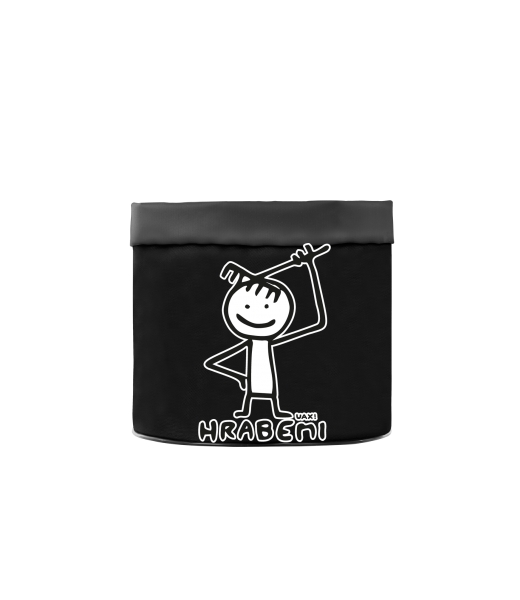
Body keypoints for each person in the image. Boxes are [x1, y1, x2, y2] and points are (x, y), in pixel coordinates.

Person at [204, 243, 330, 419]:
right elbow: (212, 362)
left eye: (267, 307)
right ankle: (249, 411)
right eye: (247, 306)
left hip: (269, 387)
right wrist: (241, 377)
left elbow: (318, 322)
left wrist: (310, 266)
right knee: (254, 396)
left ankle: (275, 411)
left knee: (271, 392)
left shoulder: (271, 341)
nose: (256, 315)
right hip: (250, 387)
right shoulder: (249, 344)